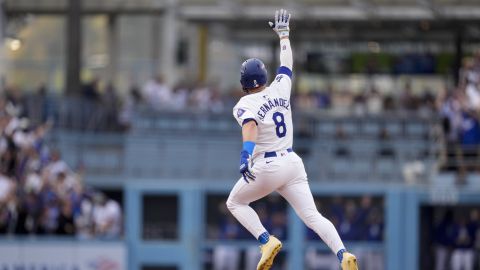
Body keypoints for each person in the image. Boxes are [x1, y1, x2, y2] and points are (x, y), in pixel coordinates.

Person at [225, 9, 358, 270]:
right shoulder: (280, 88)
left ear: (244, 82)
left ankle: (266, 240)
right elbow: (287, 64)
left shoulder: (245, 102)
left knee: (235, 202)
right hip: (293, 163)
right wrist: (284, 36)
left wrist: (245, 155)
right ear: (263, 77)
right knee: (312, 216)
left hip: (268, 165)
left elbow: (250, 126)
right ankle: (343, 254)